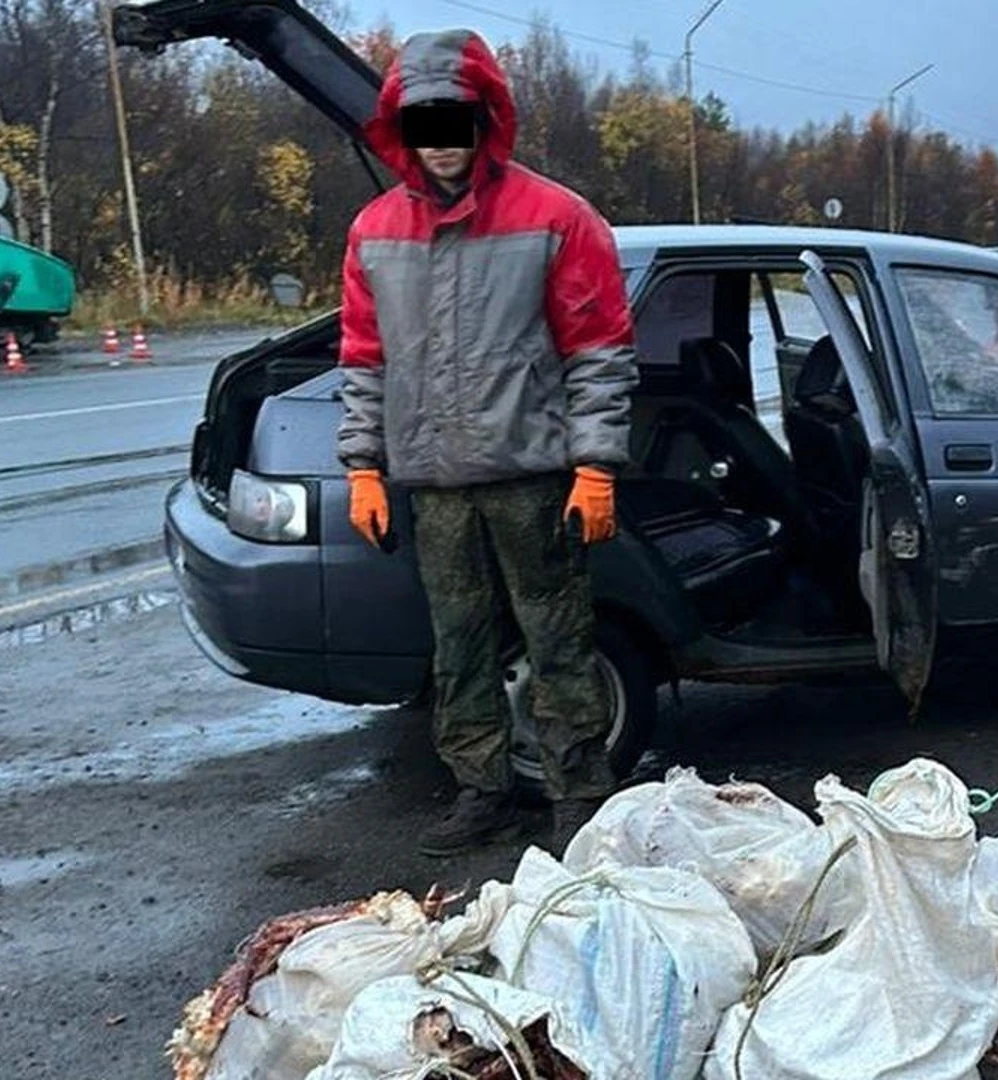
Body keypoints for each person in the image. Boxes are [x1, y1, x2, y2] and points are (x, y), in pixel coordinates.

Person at [334, 28, 638, 858]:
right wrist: (363, 466)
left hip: (533, 481)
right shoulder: (374, 231)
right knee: (459, 645)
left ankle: (580, 795)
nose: (440, 143)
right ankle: (482, 792)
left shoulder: (555, 216)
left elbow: (598, 351)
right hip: (434, 486)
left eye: (454, 120)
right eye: (423, 123)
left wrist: (595, 466)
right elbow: (363, 358)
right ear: (400, 125)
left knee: (558, 641)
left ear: (485, 118)